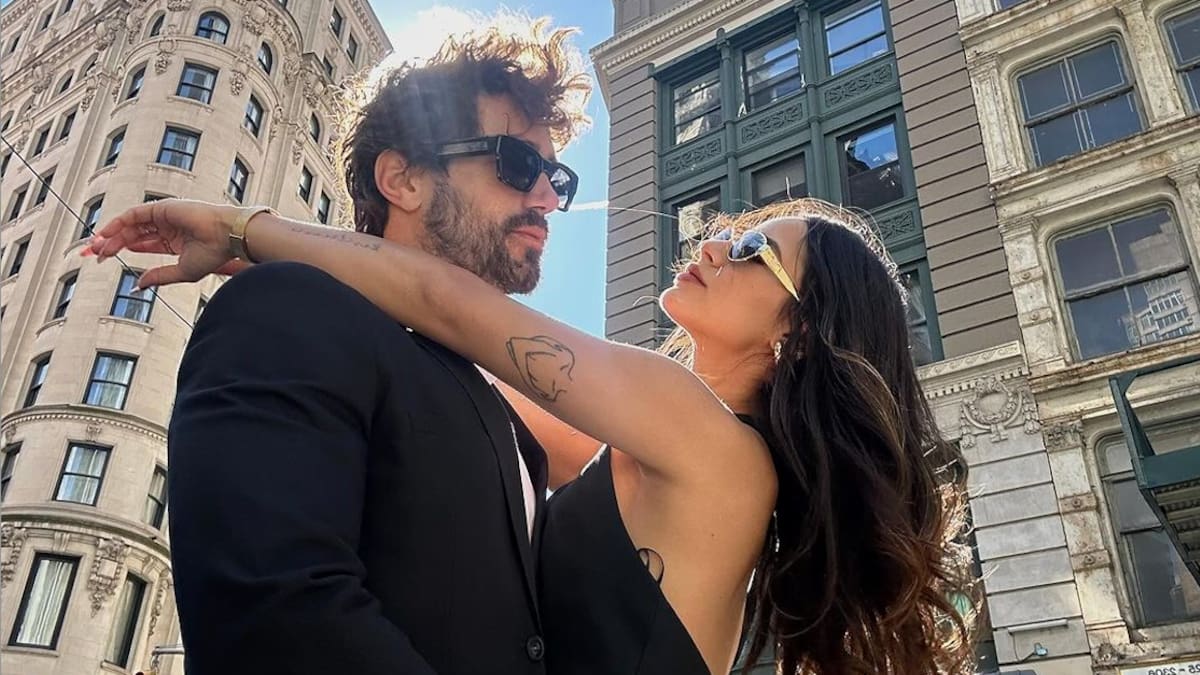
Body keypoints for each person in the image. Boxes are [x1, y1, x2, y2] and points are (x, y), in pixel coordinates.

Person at [89, 192, 981, 673]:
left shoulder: (705, 437)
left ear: (798, 332)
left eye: (754, 254)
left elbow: (450, 305)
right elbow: (443, 379)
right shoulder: (661, 449)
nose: (713, 243)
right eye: (730, 230)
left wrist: (244, 228)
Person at [119, 16, 591, 675]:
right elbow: (276, 621)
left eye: (556, 177)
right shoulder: (288, 309)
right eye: (518, 164)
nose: (546, 198)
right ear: (402, 179)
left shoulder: (501, 405)